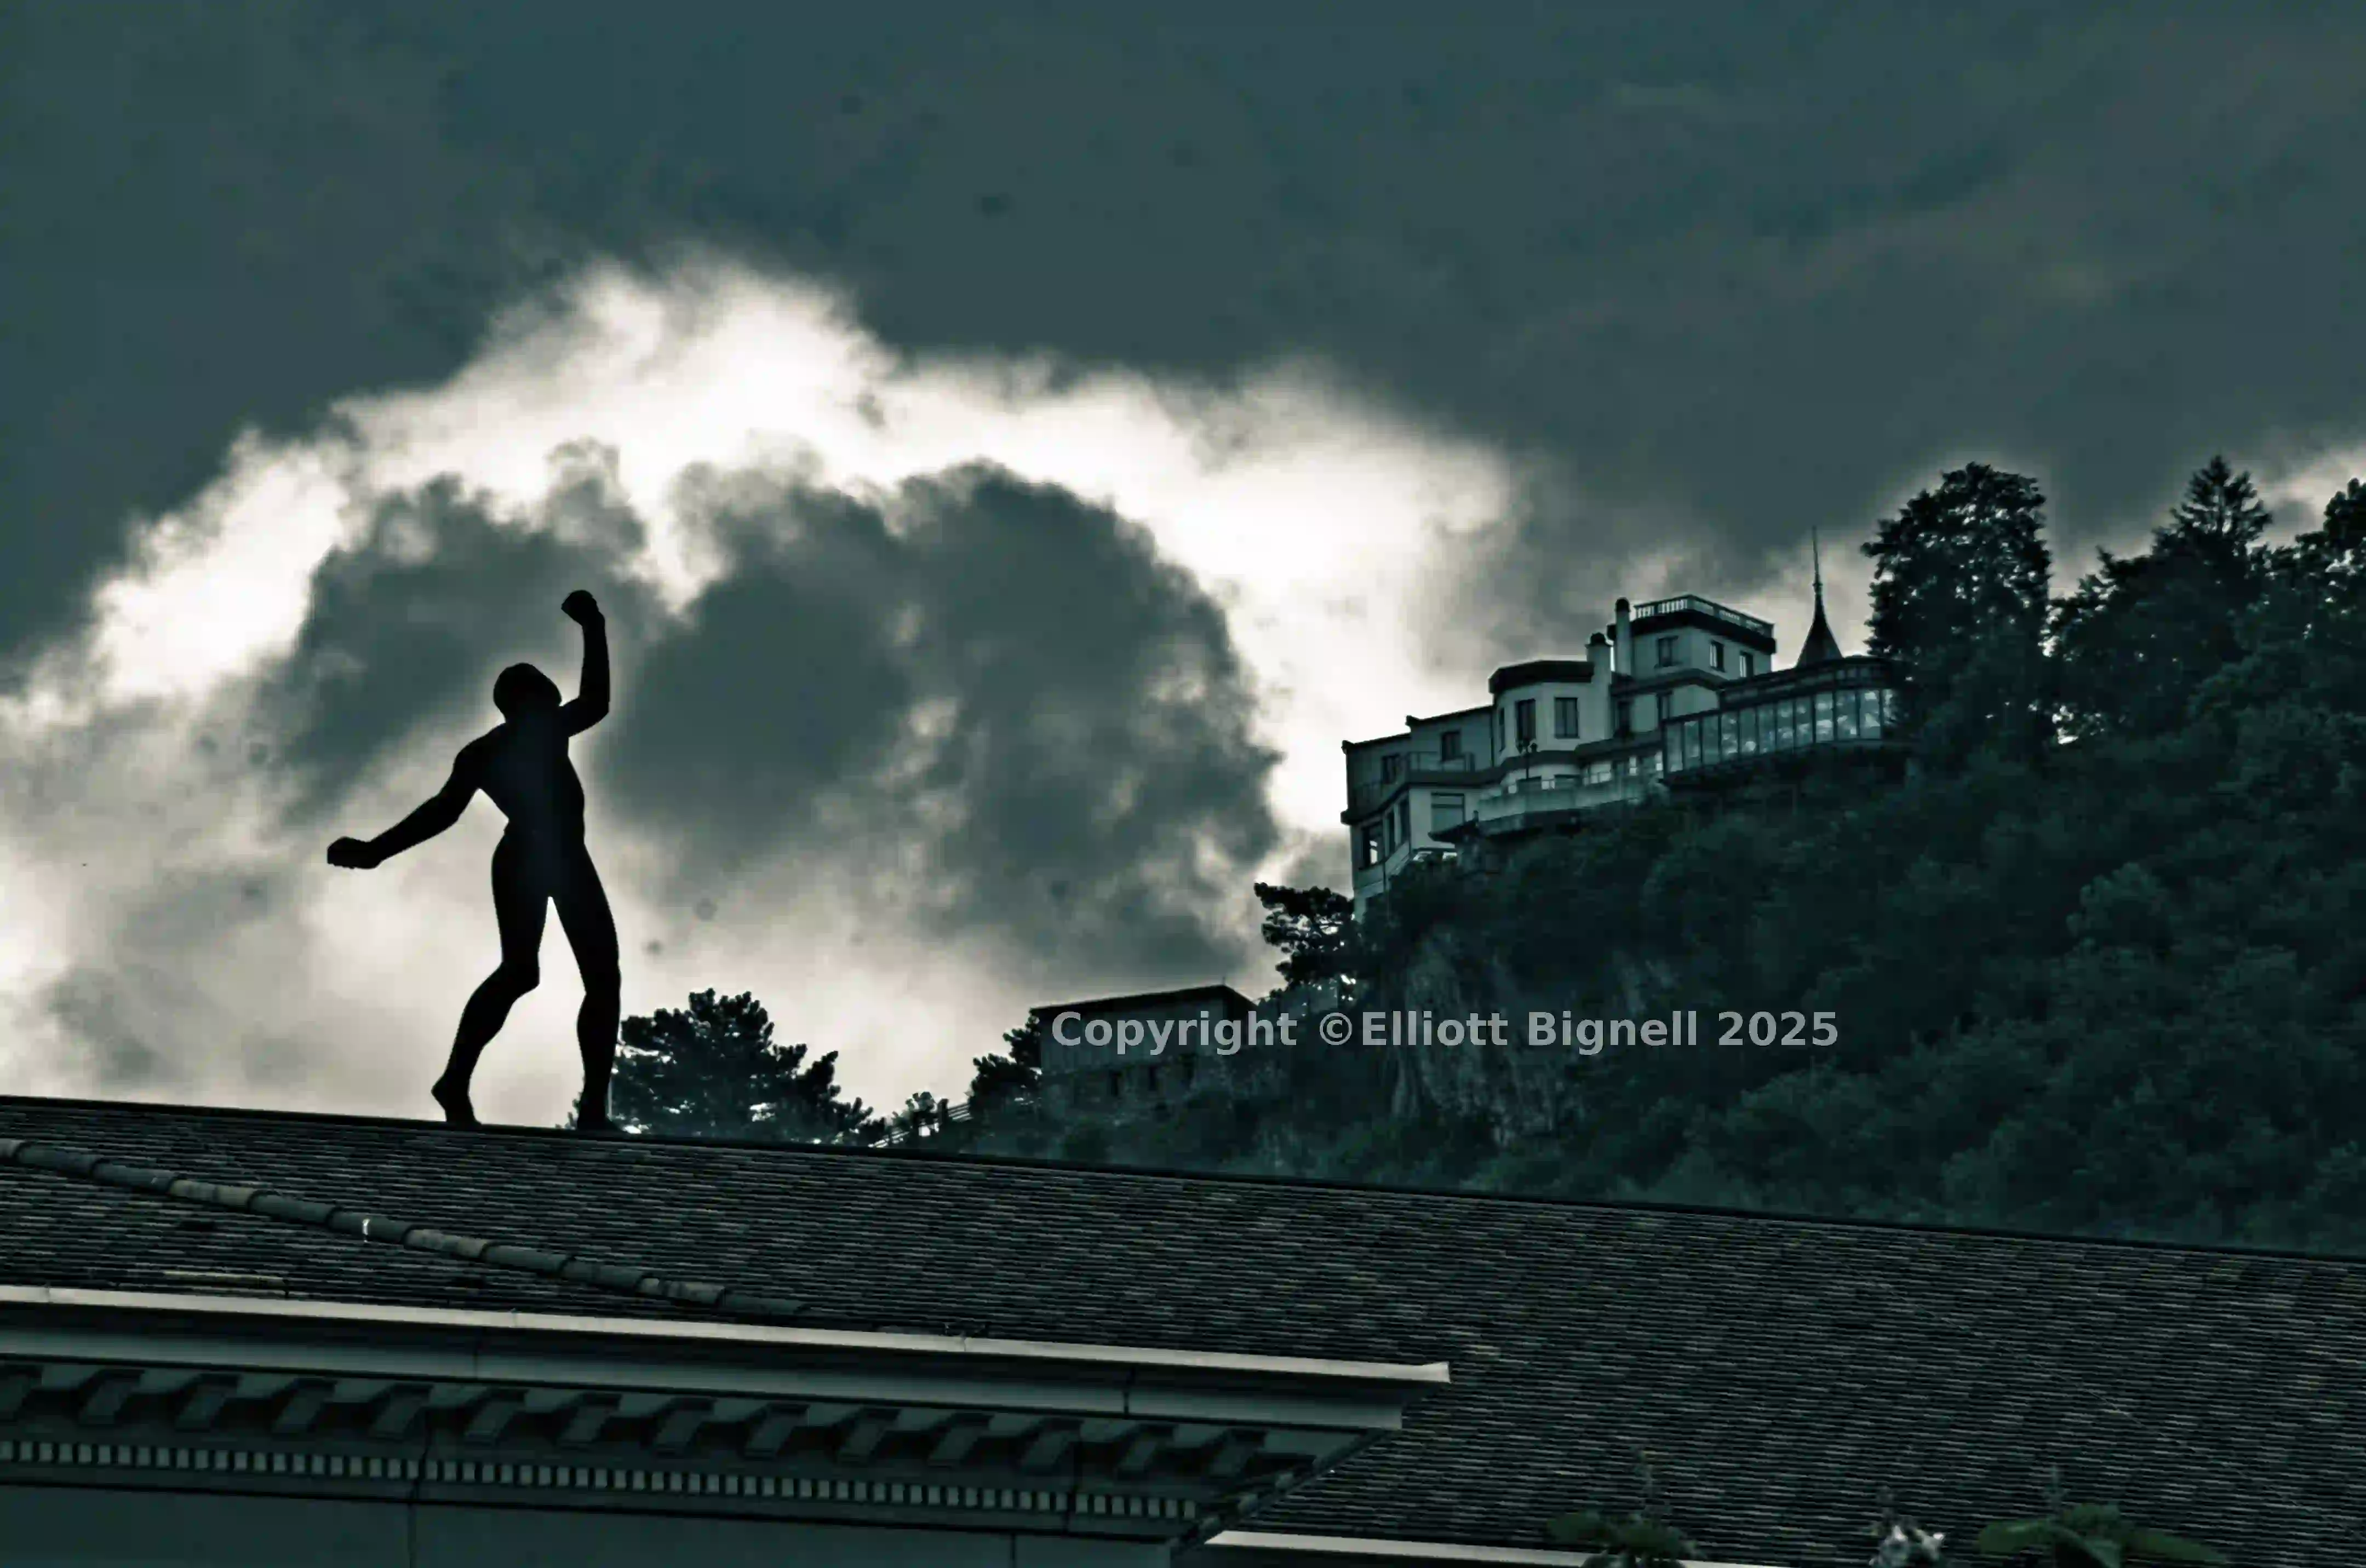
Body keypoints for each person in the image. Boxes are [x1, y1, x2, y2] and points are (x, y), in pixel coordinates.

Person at [328, 590, 620, 1132]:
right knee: (534, 973)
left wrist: (375, 851)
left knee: (586, 977)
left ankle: (593, 1109)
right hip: (531, 858)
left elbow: (442, 812)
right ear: (527, 705)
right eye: (543, 700)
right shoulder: (520, 738)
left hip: (556, 857)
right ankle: (463, 1080)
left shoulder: (501, 744)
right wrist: (593, 626)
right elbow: (443, 812)